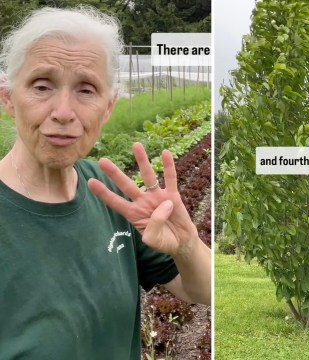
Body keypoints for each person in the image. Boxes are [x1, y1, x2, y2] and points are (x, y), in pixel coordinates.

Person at [0, 6, 211, 359]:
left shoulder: (109, 193)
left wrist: (187, 244)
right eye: (42, 86)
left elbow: (202, 292)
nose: (64, 112)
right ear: (8, 97)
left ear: (108, 107)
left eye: (86, 90)